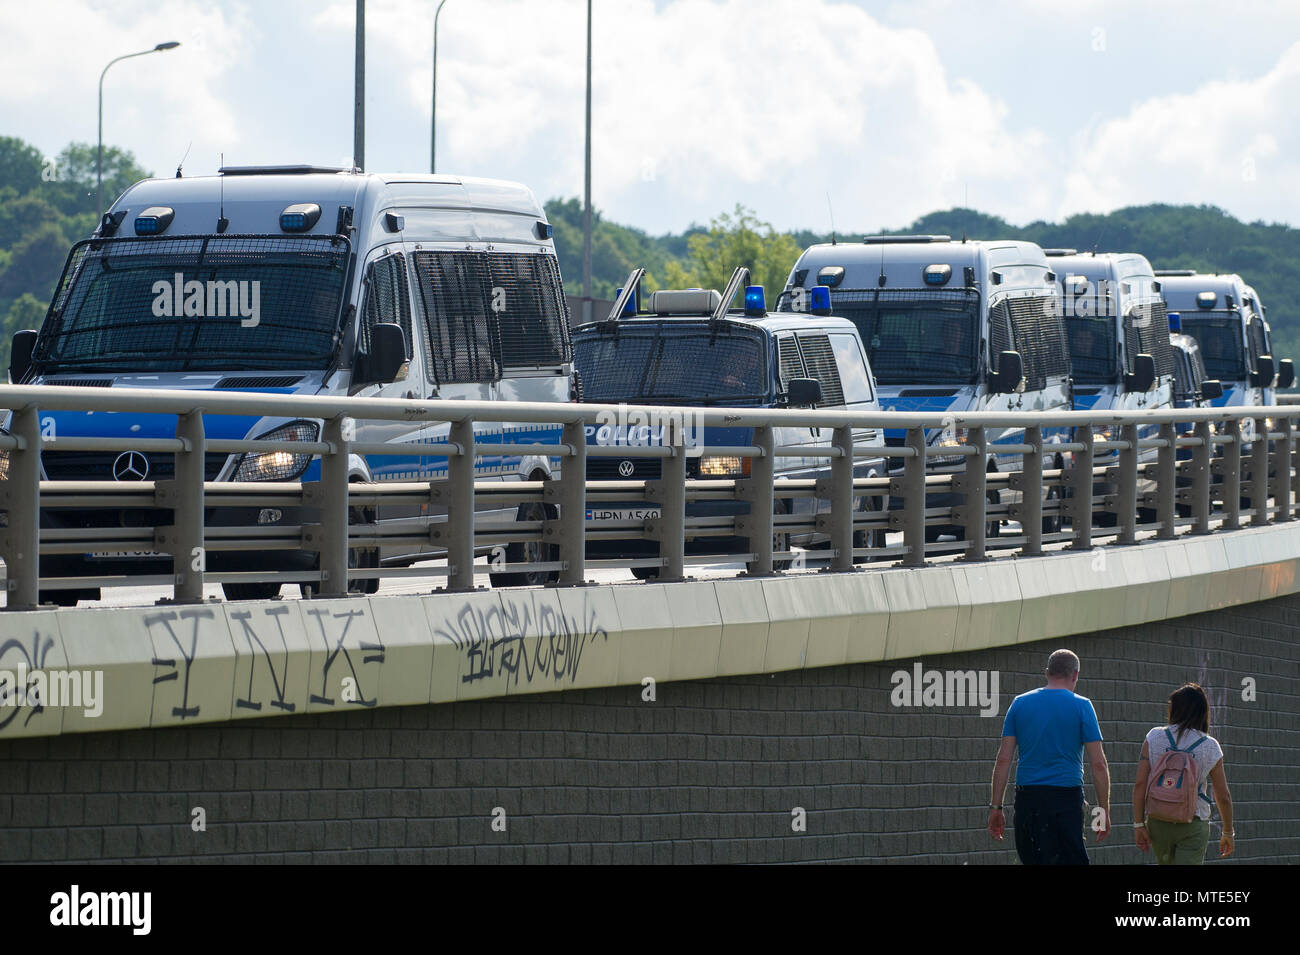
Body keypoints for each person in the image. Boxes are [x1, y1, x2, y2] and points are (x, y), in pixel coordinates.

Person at [988, 648, 1110, 864]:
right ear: (1075, 675)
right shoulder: (1082, 706)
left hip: (1029, 799)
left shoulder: (1019, 703)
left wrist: (996, 807)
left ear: (1047, 673)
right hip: (1066, 800)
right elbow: (1098, 764)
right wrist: (1102, 811)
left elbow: (1004, 759)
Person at [1132, 683, 1234, 865]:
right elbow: (1223, 795)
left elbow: (1140, 784)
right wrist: (1227, 832)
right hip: (1193, 823)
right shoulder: (1210, 746)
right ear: (1202, 711)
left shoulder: (1154, 737)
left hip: (1158, 820)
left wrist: (1139, 824)